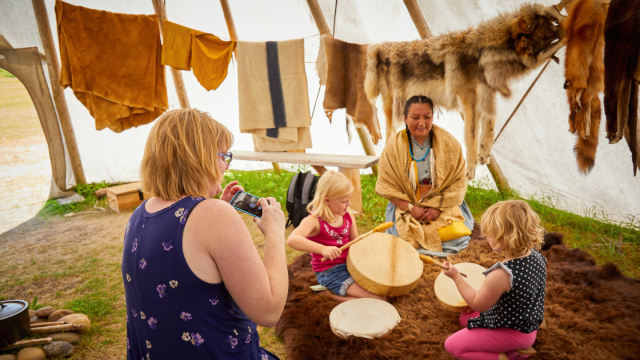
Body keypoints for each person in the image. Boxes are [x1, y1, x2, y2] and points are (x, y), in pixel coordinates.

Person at [121, 109, 287, 360]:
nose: (226, 165)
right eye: (223, 156)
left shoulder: (140, 214)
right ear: (199, 158)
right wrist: (274, 233)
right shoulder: (212, 216)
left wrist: (207, 204)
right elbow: (269, 311)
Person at [443, 200, 547, 360]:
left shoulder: (501, 274)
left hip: (513, 332)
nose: (486, 237)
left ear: (504, 237)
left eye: (490, 234)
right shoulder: (536, 256)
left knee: (452, 347)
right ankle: (517, 351)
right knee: (465, 318)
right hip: (527, 324)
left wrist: (456, 277)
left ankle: (504, 357)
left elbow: (477, 303)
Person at [376, 95, 474, 257]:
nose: (422, 123)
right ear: (405, 118)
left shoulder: (449, 143)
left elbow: (458, 182)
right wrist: (410, 208)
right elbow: (387, 187)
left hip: (444, 202)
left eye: (427, 117)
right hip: (406, 202)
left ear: (432, 117)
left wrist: (437, 207)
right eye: (415, 117)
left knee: (454, 238)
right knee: (406, 236)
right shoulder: (393, 147)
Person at [287, 170, 386, 303]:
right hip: (330, 272)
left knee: (383, 290)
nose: (349, 204)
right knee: (379, 299)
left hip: (351, 265)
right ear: (327, 200)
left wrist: (369, 246)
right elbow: (292, 240)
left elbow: (354, 241)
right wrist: (323, 249)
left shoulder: (347, 215)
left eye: (349, 199)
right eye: (344, 201)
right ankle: (329, 296)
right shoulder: (314, 221)